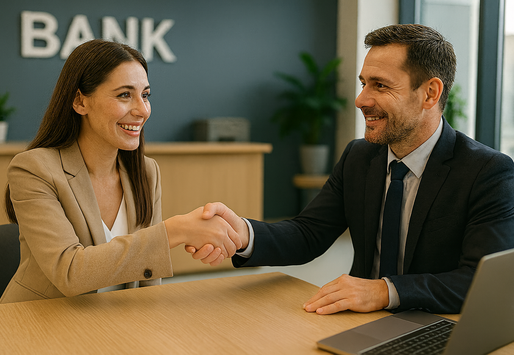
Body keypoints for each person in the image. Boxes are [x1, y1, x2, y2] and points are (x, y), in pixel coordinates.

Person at [189, 24, 514, 314]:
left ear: (430, 93)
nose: (360, 100)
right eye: (363, 83)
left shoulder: (488, 172)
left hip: (435, 324)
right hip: (358, 325)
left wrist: (386, 291)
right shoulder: (360, 157)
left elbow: (480, 281)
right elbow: (308, 234)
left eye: (380, 86)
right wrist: (243, 234)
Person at [0, 39, 240, 304]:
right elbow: (69, 272)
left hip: (114, 325)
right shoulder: (34, 169)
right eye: (125, 95)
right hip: (35, 325)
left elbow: (149, 281)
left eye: (145, 95)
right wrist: (175, 231)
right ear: (80, 101)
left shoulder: (147, 171)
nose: (142, 110)